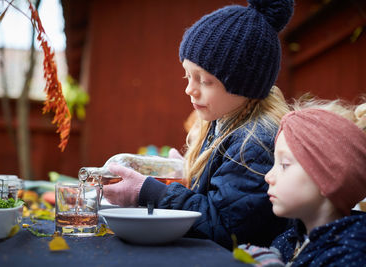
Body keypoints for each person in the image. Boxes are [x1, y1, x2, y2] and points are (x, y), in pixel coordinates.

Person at [103, 0, 294, 249]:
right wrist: (189, 176)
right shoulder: (225, 121)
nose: (189, 89)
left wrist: (146, 192)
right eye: (188, 75)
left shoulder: (255, 142)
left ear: (244, 84)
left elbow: (225, 227)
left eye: (204, 80)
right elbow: (222, 199)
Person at [241, 107, 366, 266]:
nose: (268, 176)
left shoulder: (351, 256)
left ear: (328, 178)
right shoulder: (287, 241)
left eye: (284, 165)